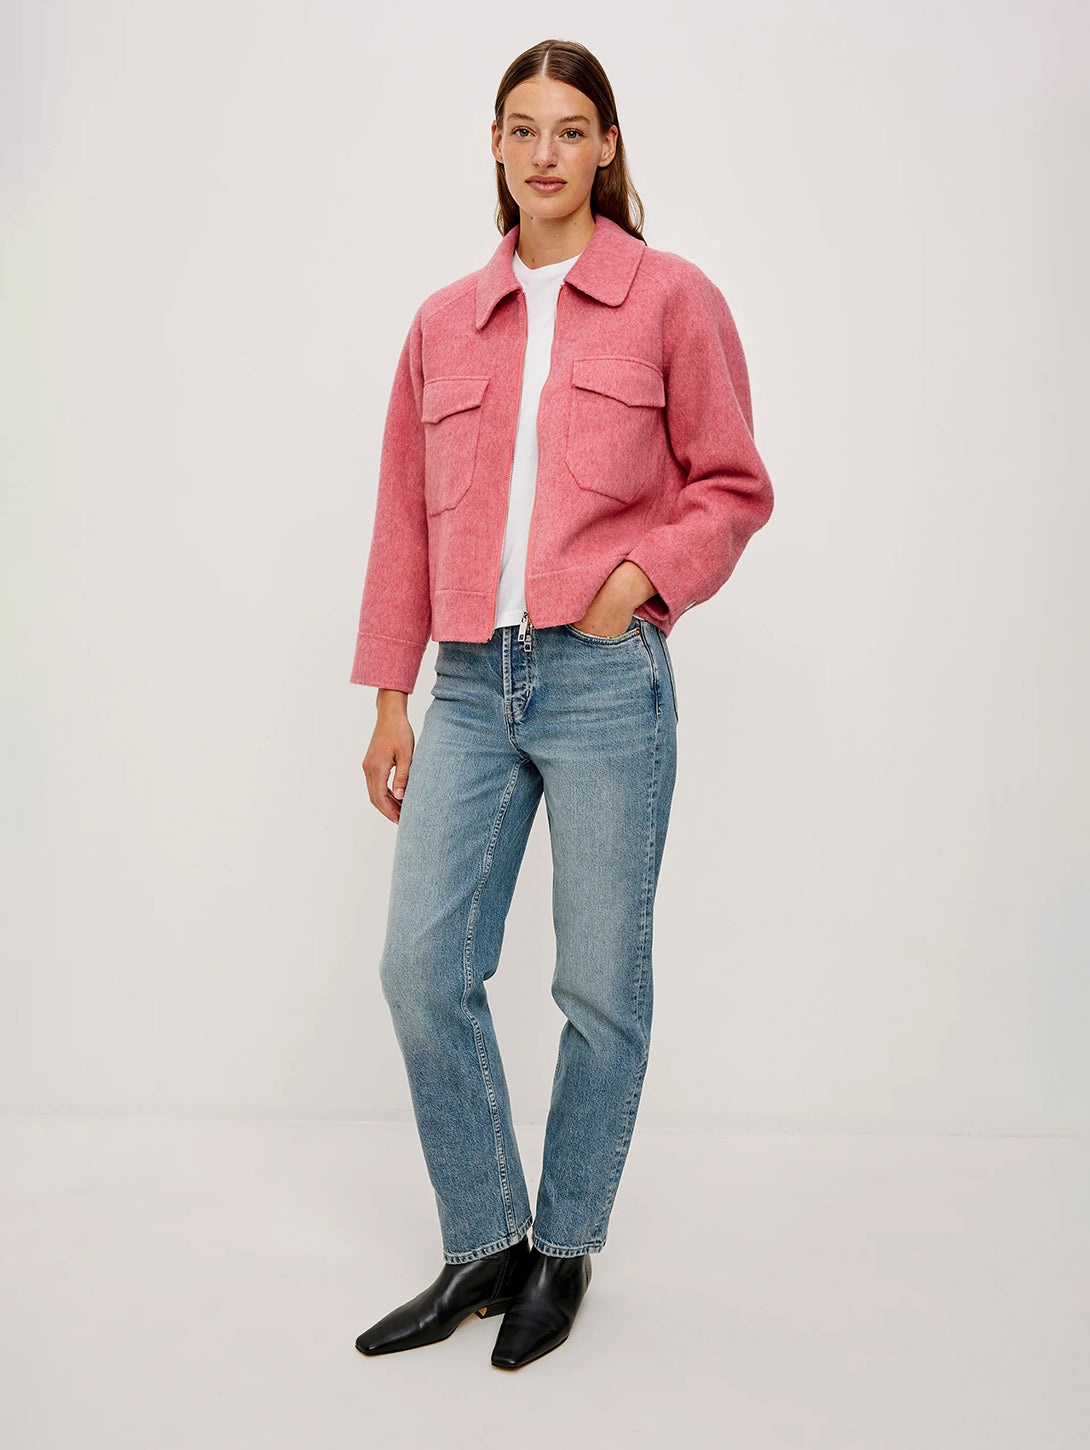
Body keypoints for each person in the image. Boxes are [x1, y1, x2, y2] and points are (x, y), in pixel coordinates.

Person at [350, 38, 773, 1371]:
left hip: (601, 683)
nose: (546, 153)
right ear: (494, 144)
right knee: (422, 966)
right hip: (469, 682)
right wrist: (389, 696)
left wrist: (639, 578)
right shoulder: (442, 322)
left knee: (599, 982)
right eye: (523, 128)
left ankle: (565, 1245)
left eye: (571, 129)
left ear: (606, 147)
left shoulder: (670, 298)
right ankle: (484, 1235)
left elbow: (731, 482)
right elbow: (403, 520)